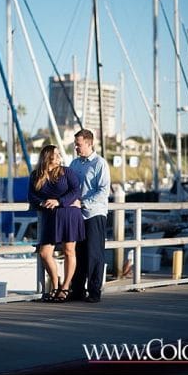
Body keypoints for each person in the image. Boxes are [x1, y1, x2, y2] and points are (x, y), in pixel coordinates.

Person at [27, 145, 84, 302]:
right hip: (50, 217)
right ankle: (55, 284)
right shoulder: (35, 175)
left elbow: (76, 191)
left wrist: (59, 201)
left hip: (69, 214)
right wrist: (42, 202)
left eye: (59, 154)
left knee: (69, 251)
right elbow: (31, 196)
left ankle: (65, 288)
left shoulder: (67, 172)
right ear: (47, 157)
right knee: (44, 253)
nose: (60, 156)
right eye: (56, 154)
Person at [68, 129, 111, 303]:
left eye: (78, 144)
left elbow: (104, 191)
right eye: (75, 144)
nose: (76, 147)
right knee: (78, 253)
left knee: (94, 254)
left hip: (94, 214)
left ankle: (94, 292)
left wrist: (83, 203)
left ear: (89, 143)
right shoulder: (74, 164)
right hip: (77, 215)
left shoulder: (100, 163)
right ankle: (77, 290)